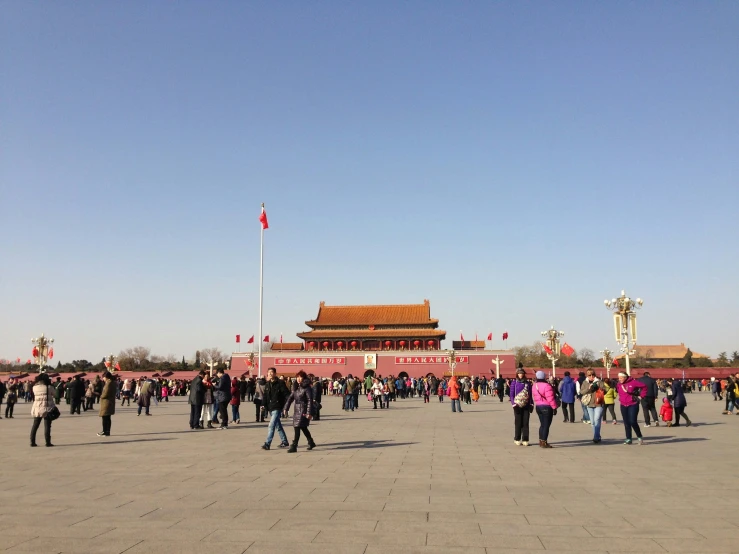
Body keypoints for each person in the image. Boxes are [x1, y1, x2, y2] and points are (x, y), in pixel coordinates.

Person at [283, 370, 315, 453]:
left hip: (303, 410)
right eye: (297, 377)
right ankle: (311, 442)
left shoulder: (307, 388)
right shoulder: (296, 387)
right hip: (296, 410)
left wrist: (309, 412)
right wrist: (286, 408)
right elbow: (290, 398)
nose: (299, 379)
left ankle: (294, 445)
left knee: (297, 426)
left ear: (304, 378)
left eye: (301, 377)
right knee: (303, 427)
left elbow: (309, 400)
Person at [261, 367, 290, 450]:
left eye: (272, 372)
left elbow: (286, 394)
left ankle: (267, 443)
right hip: (270, 407)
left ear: (275, 373)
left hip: (277, 407)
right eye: (269, 372)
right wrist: (263, 405)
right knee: (278, 426)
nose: (270, 374)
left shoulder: (280, 383)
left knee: (271, 425)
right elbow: (265, 396)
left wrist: (286, 405)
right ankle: (284, 441)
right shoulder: (267, 384)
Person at [616, 372, 647, 445]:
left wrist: (641, 396)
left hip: (633, 404)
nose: (619, 379)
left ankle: (639, 436)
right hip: (623, 405)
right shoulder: (619, 384)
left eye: (621, 378)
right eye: (619, 378)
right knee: (626, 422)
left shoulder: (633, 382)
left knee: (632, 421)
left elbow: (644, 386)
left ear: (625, 377)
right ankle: (628, 438)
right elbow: (618, 391)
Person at [532, 370, 558, 448]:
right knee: (546, 425)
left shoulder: (534, 385)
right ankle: (544, 442)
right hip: (546, 406)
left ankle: (540, 440)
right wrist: (554, 407)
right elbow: (550, 398)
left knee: (542, 424)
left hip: (538, 406)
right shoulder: (547, 385)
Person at [30, 373, 56, 447]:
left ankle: (32, 441)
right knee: (47, 426)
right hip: (47, 408)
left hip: (37, 407)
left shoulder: (35, 387)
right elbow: (54, 394)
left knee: (35, 425)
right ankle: (48, 442)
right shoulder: (49, 387)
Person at [510, 365, 532, 446]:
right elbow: (511, 395)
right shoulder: (514, 383)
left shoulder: (527, 383)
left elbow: (530, 394)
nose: (521, 375)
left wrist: (531, 404)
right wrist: (513, 404)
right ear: (517, 374)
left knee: (526, 422)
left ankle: (525, 439)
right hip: (517, 405)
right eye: (519, 373)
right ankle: (517, 438)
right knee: (518, 422)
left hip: (526, 405)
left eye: (522, 373)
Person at [579, 369, 604, 444]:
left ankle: (596, 437)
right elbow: (581, 392)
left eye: (593, 375)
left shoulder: (599, 381)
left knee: (597, 420)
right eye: (589, 375)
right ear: (587, 375)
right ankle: (597, 435)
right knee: (593, 422)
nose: (591, 376)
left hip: (598, 403)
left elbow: (605, 390)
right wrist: (588, 388)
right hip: (589, 404)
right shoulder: (585, 382)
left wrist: (598, 387)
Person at [98, 372, 116, 437]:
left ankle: (105, 431)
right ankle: (107, 431)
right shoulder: (113, 382)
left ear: (106, 377)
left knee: (105, 417)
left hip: (106, 402)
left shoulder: (108, 383)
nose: (103, 379)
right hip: (110, 401)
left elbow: (106, 393)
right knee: (108, 417)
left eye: (103, 377)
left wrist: (101, 396)